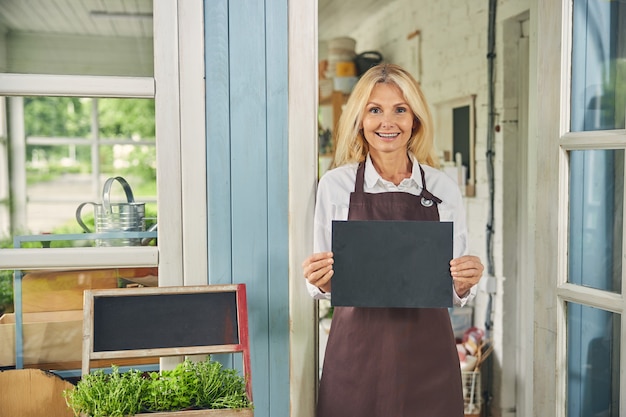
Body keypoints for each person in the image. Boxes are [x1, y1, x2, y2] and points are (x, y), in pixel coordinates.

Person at [302, 63, 484, 417]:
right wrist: (318, 277)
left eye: (400, 109)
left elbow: (455, 288)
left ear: (414, 119)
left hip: (428, 355)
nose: (388, 122)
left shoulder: (442, 188)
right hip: (356, 354)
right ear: (360, 120)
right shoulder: (335, 186)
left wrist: (466, 279)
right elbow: (323, 285)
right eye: (375, 110)